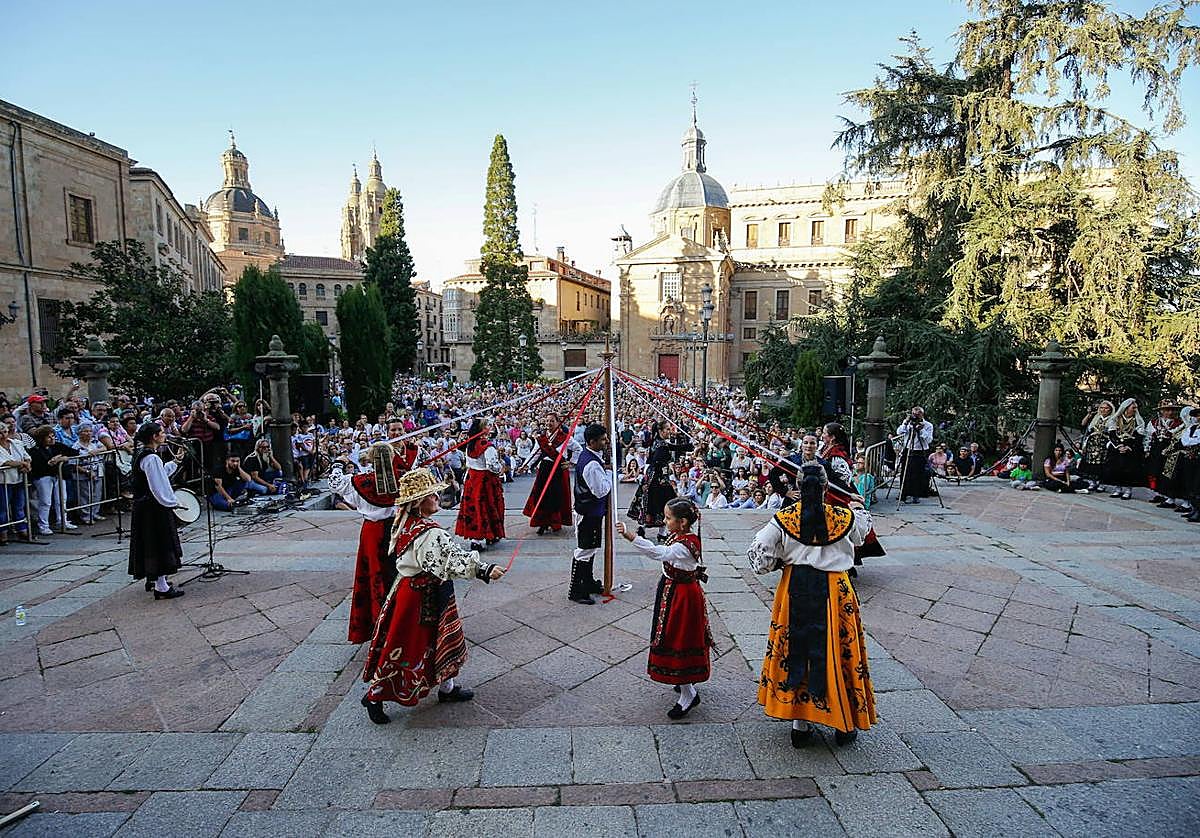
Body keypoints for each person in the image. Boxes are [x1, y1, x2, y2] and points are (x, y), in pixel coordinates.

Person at [360, 468, 506, 723]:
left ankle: (447, 688)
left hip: (412, 591)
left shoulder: (407, 523)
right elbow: (449, 560)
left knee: (439, 640)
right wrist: (484, 569)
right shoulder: (429, 532)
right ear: (418, 502)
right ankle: (375, 696)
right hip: (422, 596)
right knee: (409, 648)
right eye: (432, 494)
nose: (438, 496)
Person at [747, 464, 876, 748]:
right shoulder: (845, 517)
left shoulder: (782, 519)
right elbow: (862, 534)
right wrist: (860, 507)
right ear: (828, 488)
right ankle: (843, 723)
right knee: (837, 649)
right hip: (835, 593)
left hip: (794, 589)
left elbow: (759, 557)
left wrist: (781, 561)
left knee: (796, 649)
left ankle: (800, 725)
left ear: (798, 489)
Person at [617, 497, 712, 719]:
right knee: (673, 635)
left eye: (669, 518)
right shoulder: (679, 536)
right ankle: (685, 682)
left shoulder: (684, 546)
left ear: (683, 522)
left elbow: (658, 553)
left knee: (679, 638)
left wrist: (631, 536)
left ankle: (688, 692)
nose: (665, 521)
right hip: (673, 590)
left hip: (682, 597)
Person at [330, 443, 408, 644]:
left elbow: (334, 482)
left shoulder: (359, 481)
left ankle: (377, 624)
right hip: (397, 528)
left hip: (372, 533)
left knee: (373, 574)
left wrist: (339, 463)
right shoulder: (403, 478)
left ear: (371, 460)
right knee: (398, 572)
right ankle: (399, 621)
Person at [127, 422, 186, 600]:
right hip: (153, 508)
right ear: (154, 436)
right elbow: (157, 486)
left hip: (145, 507)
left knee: (152, 543)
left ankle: (156, 581)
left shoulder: (144, 454)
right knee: (160, 543)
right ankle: (161, 586)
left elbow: (158, 474)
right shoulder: (151, 457)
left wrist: (175, 462)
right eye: (161, 433)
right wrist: (172, 502)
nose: (164, 435)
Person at [628, 421, 693, 542]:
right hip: (658, 479)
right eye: (667, 429)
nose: (670, 431)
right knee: (665, 503)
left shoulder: (657, 442)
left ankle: (646, 529)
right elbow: (657, 459)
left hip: (653, 477)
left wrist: (691, 446)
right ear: (660, 431)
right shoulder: (661, 446)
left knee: (652, 503)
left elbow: (673, 447)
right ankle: (660, 532)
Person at [570, 423, 612, 605]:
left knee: (591, 547)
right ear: (592, 442)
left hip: (590, 511)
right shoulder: (592, 464)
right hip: (588, 513)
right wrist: (609, 473)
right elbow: (601, 490)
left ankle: (587, 582)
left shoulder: (590, 457)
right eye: (603, 439)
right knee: (585, 549)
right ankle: (577, 590)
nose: (607, 442)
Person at [455, 417, 506, 551]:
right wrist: (500, 468)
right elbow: (491, 466)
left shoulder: (470, 445)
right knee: (488, 506)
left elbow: (469, 463)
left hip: (472, 479)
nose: (490, 427)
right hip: (486, 481)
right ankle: (486, 537)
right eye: (487, 426)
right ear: (482, 429)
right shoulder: (487, 447)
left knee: (475, 507)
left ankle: (477, 538)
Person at [522, 415, 577, 536]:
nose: (549, 423)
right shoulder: (542, 438)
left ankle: (555, 522)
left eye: (552, 421)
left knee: (556, 496)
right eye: (547, 420)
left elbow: (578, 449)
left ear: (558, 423)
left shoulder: (565, 438)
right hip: (544, 470)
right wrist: (526, 465)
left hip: (558, 470)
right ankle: (543, 522)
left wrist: (571, 462)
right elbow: (535, 454)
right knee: (542, 496)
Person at [28, 425, 77, 534]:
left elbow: (73, 452)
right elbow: (39, 466)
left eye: (53, 436)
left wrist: (63, 458)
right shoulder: (35, 451)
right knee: (45, 502)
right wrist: (51, 462)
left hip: (58, 475)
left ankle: (62, 520)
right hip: (43, 477)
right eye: (49, 437)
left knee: (62, 499)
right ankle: (43, 525)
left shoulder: (57, 446)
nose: (52, 439)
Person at [1146, 400, 1184, 508]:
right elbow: (1148, 437)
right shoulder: (1154, 422)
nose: (1170, 412)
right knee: (1155, 471)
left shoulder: (1179, 424)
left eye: (1173, 410)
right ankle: (1158, 493)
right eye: (1167, 410)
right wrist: (1147, 450)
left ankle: (1169, 496)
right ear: (1161, 411)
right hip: (1155, 450)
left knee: (1167, 473)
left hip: (1170, 452)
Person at [1106, 398, 1145, 500]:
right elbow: (1112, 434)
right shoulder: (1115, 419)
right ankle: (1117, 488)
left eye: (1136, 408)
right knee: (1116, 467)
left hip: (1130, 447)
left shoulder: (1138, 421)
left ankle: (1128, 490)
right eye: (1133, 408)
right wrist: (1119, 446)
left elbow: (1139, 436)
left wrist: (1129, 446)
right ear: (1126, 408)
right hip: (1118, 446)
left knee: (1129, 469)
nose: (1135, 410)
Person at [0, 422, 32, 544]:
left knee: (19, 505)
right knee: (2, 508)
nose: (3, 435)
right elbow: (4, 462)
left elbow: (26, 456)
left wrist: (27, 464)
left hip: (18, 479)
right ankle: (2, 533)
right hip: (3, 481)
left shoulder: (16, 443)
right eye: (0, 433)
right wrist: (21, 464)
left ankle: (22, 529)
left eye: (5, 432)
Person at [896, 407, 934, 503]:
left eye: (918, 414)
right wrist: (905, 423)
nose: (916, 417)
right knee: (905, 472)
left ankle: (915, 494)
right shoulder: (908, 424)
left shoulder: (928, 425)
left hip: (920, 451)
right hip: (908, 449)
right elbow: (899, 432)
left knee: (918, 474)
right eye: (914, 414)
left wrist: (921, 430)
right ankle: (903, 493)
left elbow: (929, 440)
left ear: (922, 415)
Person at [1078, 400, 1114, 490]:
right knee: (1091, 463)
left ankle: (1102, 483)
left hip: (1104, 443)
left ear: (1110, 409)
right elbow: (1083, 424)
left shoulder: (1113, 419)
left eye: (1106, 408)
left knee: (1103, 463)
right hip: (1093, 443)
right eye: (1101, 408)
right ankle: (1092, 482)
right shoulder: (1096, 418)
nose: (1103, 410)